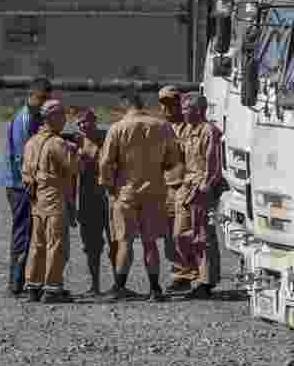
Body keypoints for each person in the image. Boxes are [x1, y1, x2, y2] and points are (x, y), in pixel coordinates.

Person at [99, 89, 183, 302]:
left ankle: (119, 286)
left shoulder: (117, 128)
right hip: (154, 190)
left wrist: (108, 185)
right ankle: (155, 289)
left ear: (124, 105)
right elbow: (174, 159)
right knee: (150, 242)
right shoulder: (162, 126)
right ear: (141, 104)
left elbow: (106, 162)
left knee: (125, 240)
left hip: (126, 191)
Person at [21, 99, 78, 304]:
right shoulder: (57, 143)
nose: (64, 120)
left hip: (37, 202)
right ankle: (53, 288)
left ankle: (33, 286)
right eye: (62, 115)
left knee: (38, 245)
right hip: (54, 201)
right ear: (51, 118)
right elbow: (74, 168)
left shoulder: (31, 142)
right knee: (56, 245)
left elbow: (26, 174)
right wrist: (75, 149)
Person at [0, 77, 51, 296]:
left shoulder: (36, 116)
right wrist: (31, 185)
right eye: (42, 98)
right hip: (19, 185)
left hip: (24, 183)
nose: (45, 103)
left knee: (30, 232)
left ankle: (23, 281)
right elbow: (22, 156)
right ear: (32, 95)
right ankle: (15, 283)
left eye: (47, 99)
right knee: (23, 232)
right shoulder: (25, 118)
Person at [172, 92, 223, 299]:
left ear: (199, 110)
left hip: (202, 188)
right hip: (187, 185)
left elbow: (213, 166)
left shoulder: (209, 132)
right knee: (180, 234)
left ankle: (206, 282)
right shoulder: (187, 131)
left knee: (203, 236)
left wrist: (205, 188)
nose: (183, 113)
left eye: (187, 109)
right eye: (183, 109)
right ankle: (190, 273)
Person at [68, 108, 115, 295]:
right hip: (88, 200)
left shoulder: (108, 137)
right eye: (78, 123)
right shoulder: (75, 142)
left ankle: (118, 284)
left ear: (95, 121)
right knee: (91, 246)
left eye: (85, 121)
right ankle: (94, 285)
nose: (82, 126)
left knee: (116, 242)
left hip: (109, 198)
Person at [157, 86, 185, 278]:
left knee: (182, 233)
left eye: (172, 103)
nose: (168, 108)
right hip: (164, 186)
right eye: (164, 103)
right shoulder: (159, 127)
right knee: (168, 235)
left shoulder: (190, 125)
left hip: (183, 185)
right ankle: (178, 272)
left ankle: (186, 274)